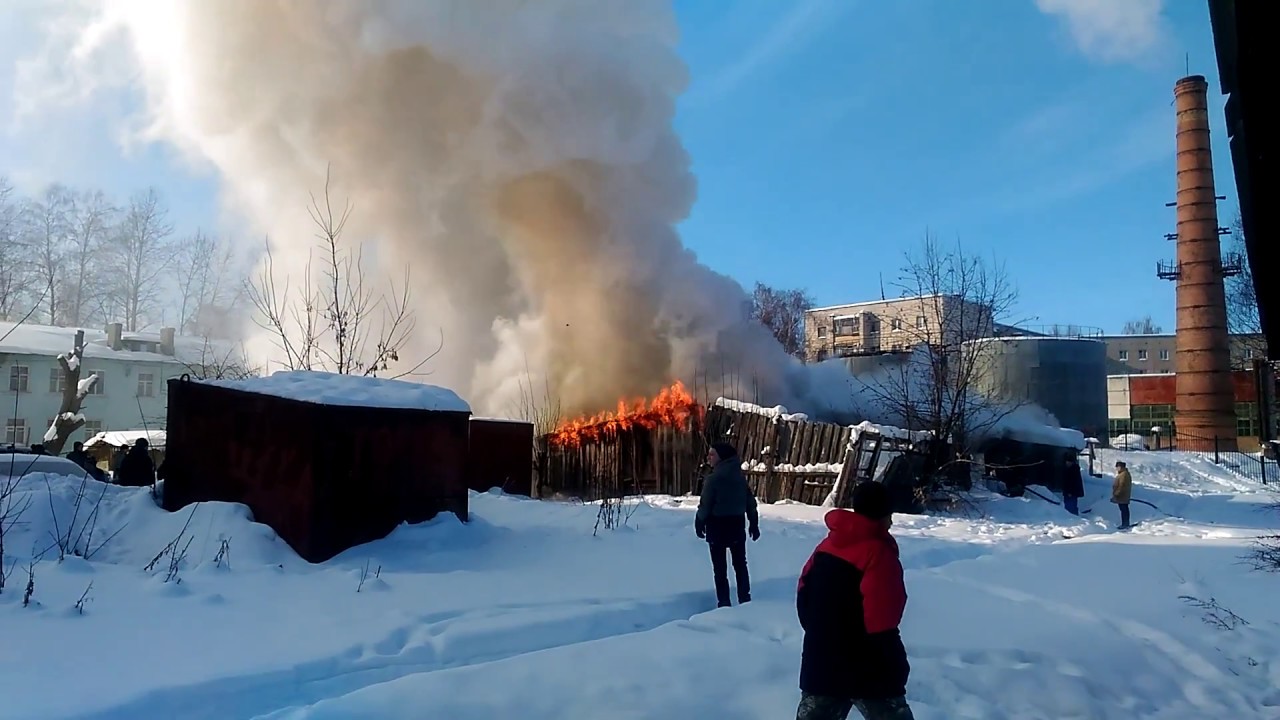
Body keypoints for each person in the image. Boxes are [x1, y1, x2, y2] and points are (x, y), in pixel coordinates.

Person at [796, 481, 914, 720]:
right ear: (881, 516)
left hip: (822, 661)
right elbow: (883, 618)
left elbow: (803, 594)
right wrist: (894, 664)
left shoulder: (826, 546)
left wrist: (822, 635)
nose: (891, 523)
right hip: (868, 667)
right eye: (889, 515)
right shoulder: (878, 553)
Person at [695, 441, 760, 608]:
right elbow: (750, 503)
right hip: (737, 525)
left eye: (712, 454)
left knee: (720, 569)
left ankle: (724, 603)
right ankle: (745, 599)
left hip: (717, 526)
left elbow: (706, 504)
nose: (709, 457)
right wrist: (753, 523)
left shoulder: (713, 479)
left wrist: (699, 521)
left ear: (721, 457)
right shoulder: (739, 478)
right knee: (740, 564)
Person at [1061, 451, 1084, 516]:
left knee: (1071, 505)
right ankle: (1069, 516)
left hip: (1072, 492)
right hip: (1068, 491)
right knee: (1068, 505)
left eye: (1069, 462)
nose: (1067, 463)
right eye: (1067, 462)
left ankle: (1074, 516)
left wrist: (1070, 492)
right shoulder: (1068, 469)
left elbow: (1073, 482)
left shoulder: (1074, 470)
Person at [1112, 460, 1133, 529]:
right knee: (1124, 510)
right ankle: (1125, 523)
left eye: (1118, 467)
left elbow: (1122, 485)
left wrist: (1117, 493)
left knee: (1124, 510)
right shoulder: (1122, 474)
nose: (1117, 469)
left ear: (1121, 467)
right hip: (1122, 496)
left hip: (1122, 496)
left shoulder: (1124, 475)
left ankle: (1125, 523)